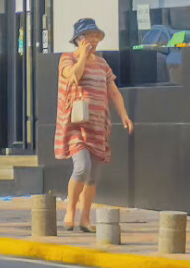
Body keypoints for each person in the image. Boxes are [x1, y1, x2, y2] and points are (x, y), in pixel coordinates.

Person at [55, 17, 133, 233]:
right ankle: (70, 211)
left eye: (96, 36)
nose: (94, 40)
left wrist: (124, 114)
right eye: (90, 36)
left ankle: (85, 218)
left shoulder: (102, 64)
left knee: (92, 175)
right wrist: (81, 57)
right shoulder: (67, 59)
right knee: (82, 167)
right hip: (76, 125)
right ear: (79, 39)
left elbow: (113, 91)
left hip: (99, 124)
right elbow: (74, 77)